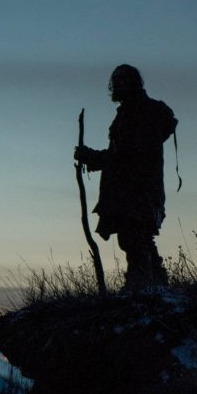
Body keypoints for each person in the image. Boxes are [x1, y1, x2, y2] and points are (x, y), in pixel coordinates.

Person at [74, 64, 177, 289]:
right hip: (127, 189)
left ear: (134, 82)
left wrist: (93, 157)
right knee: (137, 236)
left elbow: (132, 156)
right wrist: (93, 158)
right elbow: (120, 155)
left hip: (138, 189)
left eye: (124, 79)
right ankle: (156, 284)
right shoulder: (128, 112)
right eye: (116, 80)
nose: (119, 84)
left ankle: (139, 286)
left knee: (134, 236)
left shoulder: (143, 112)